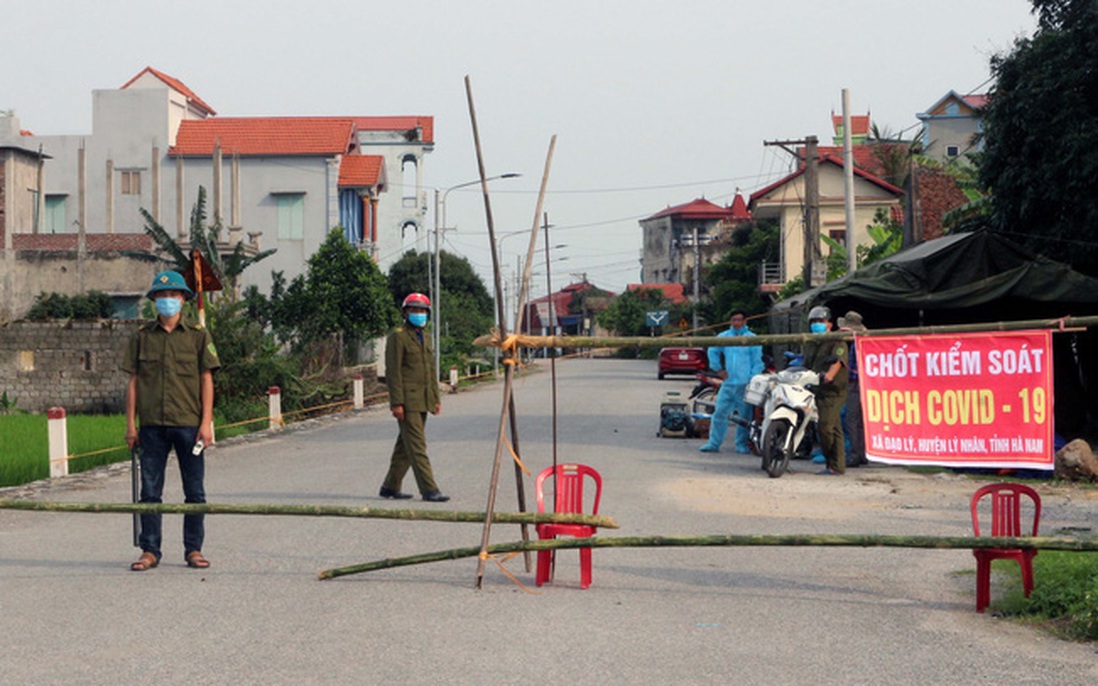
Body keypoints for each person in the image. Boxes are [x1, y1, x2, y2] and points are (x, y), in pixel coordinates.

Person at [123, 270, 220, 571]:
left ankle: (194, 549)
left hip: (189, 424)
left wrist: (207, 423)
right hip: (152, 425)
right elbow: (133, 382)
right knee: (150, 490)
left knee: (195, 491)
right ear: (154, 301)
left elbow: (207, 380)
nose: (167, 301)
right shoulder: (142, 338)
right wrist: (130, 424)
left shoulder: (198, 336)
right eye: (162, 296)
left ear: (183, 300)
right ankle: (149, 550)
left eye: (173, 296)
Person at [379, 293, 450, 502]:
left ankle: (390, 487)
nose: (418, 314)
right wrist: (396, 403)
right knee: (417, 446)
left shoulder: (426, 337)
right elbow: (393, 372)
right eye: (414, 310)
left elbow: (430, 370)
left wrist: (435, 399)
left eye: (421, 311)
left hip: (424, 399)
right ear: (406, 312)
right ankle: (430, 489)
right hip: (407, 401)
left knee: (405, 446)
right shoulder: (398, 336)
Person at [699, 310, 764, 454]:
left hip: (744, 384)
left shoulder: (752, 339)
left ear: (745, 321)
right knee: (720, 413)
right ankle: (714, 443)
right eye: (734, 320)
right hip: (728, 383)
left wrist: (752, 379)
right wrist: (718, 369)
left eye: (740, 320)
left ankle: (741, 444)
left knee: (744, 417)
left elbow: (757, 362)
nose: (737, 323)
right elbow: (713, 350)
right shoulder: (724, 337)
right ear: (730, 321)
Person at [802, 305, 848, 475]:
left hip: (833, 390)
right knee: (834, 428)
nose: (816, 324)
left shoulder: (838, 340)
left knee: (826, 427)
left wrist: (829, 375)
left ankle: (830, 460)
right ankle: (837, 466)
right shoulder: (811, 342)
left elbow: (838, 361)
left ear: (829, 324)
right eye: (813, 321)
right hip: (816, 389)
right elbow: (806, 364)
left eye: (820, 321)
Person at [838, 311, 869, 468]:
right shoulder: (862, 341)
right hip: (864, 383)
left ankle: (856, 454)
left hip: (856, 382)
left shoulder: (856, 343)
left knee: (852, 419)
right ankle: (862, 453)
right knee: (860, 420)